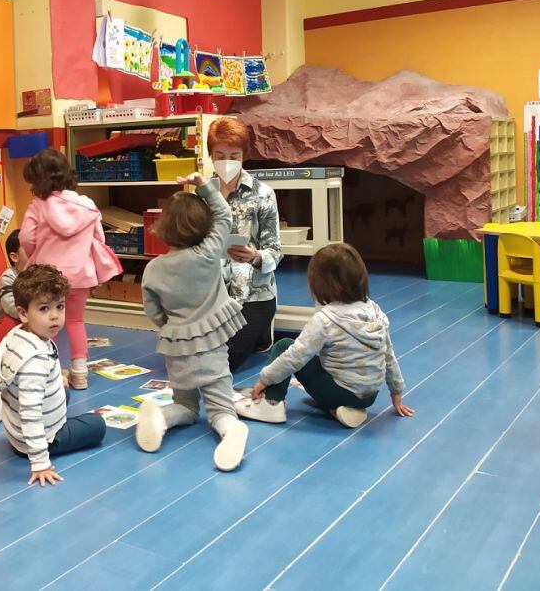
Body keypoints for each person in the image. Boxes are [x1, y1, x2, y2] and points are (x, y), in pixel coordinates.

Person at [136, 172, 250, 472]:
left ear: (162, 227)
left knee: (185, 406)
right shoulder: (209, 254)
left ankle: (161, 419)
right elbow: (224, 214)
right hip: (212, 345)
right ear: (203, 227)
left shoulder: (153, 269)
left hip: (177, 348)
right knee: (220, 409)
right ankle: (232, 430)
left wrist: (171, 328)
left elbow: (153, 311)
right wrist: (202, 184)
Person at [237, 243, 414, 429]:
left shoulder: (326, 319)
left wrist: (265, 379)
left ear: (320, 284)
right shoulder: (375, 311)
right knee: (329, 356)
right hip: (369, 397)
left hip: (341, 391)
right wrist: (396, 391)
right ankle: (342, 408)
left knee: (285, 345)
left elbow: (295, 356)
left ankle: (271, 405)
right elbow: (389, 356)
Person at [0, 265, 106, 486]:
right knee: (97, 424)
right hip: (39, 441)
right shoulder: (33, 361)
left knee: (63, 391)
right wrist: (40, 462)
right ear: (23, 313)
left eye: (60, 306)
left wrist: (56, 377)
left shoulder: (17, 335)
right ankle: (45, 443)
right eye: (44, 309)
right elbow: (30, 413)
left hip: (15, 431)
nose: (55, 316)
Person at [20, 149, 121, 389]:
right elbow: (99, 238)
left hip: (46, 276)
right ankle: (79, 374)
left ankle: (45, 371)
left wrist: (36, 252)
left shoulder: (39, 205)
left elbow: (26, 237)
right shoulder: (87, 204)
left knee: (44, 324)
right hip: (80, 274)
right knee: (75, 321)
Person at [205, 116, 283, 372]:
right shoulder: (200, 193)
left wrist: (255, 256)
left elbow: (276, 251)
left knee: (226, 361)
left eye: (234, 155)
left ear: (244, 156)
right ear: (210, 155)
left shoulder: (263, 194)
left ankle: (260, 333)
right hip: (209, 293)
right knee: (185, 353)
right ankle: (253, 335)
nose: (227, 162)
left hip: (252, 294)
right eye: (220, 155)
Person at [0, 228, 24, 351]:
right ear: (15, 257)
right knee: (10, 322)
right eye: (30, 249)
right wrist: (33, 316)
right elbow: (10, 306)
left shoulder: (37, 275)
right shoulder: (8, 276)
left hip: (26, 317)